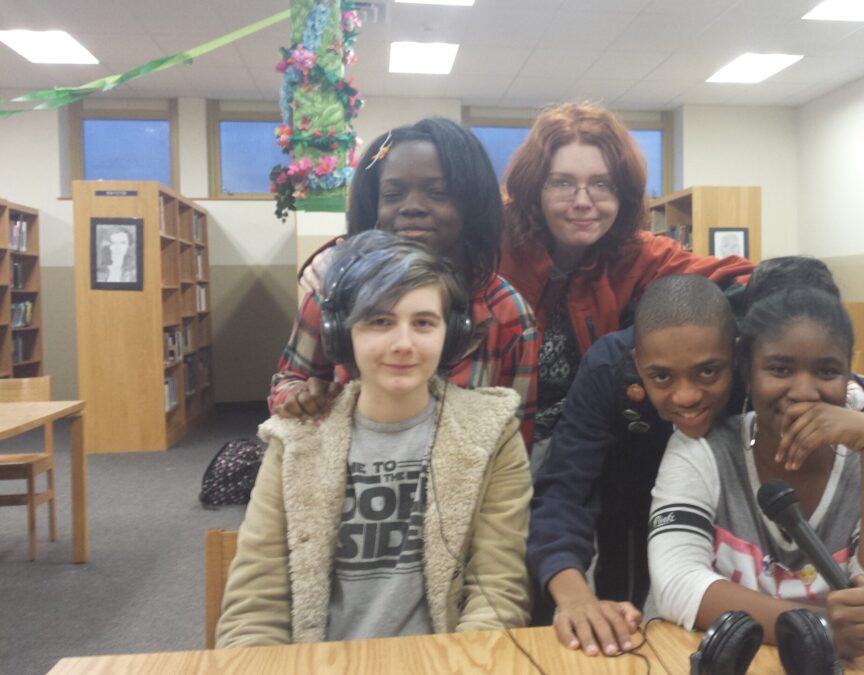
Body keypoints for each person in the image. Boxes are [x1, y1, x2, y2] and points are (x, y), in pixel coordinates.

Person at [528, 258, 864, 658]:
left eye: (710, 373)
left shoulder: (815, 384)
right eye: (663, 376)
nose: (687, 395)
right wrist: (571, 587)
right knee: (630, 616)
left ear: (737, 358)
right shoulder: (619, 365)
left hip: (740, 536)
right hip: (639, 497)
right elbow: (568, 486)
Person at [217, 232, 531, 647]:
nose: (403, 344)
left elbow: (498, 593)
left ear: (450, 334)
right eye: (379, 321)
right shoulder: (296, 440)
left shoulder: (493, 434)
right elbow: (253, 610)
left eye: (423, 323)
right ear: (341, 334)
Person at [648, 282, 864, 657]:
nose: (804, 392)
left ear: (848, 377)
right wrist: (818, 628)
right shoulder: (700, 452)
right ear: (746, 372)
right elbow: (676, 584)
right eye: (779, 369)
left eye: (827, 372)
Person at [499, 102, 755, 448]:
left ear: (623, 193)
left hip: (586, 448)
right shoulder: (496, 247)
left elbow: (746, 280)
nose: (583, 201)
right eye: (561, 183)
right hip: (501, 446)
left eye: (602, 184)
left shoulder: (634, 251)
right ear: (534, 190)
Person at [271, 118, 538, 445]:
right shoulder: (332, 290)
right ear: (374, 205)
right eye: (393, 194)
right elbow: (287, 381)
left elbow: (515, 437)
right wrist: (299, 396)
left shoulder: (509, 313)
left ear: (471, 204)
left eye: (439, 193)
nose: (412, 207)